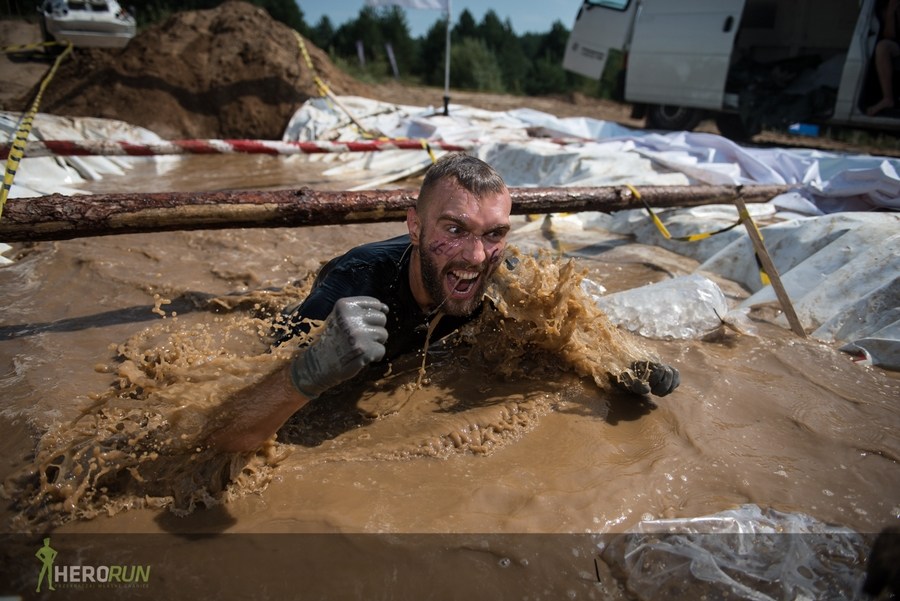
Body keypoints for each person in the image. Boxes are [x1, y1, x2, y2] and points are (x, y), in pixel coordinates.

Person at [205, 154, 679, 453]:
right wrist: (308, 372)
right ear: (415, 227)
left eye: (493, 234)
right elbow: (219, 434)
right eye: (454, 230)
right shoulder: (351, 289)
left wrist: (624, 362)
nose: (475, 257)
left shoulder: (501, 276)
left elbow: (570, 330)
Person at [867, 0, 900, 116]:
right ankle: (888, 99)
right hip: (896, 46)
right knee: (882, 47)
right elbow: (889, 35)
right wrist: (891, 12)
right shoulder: (884, 7)